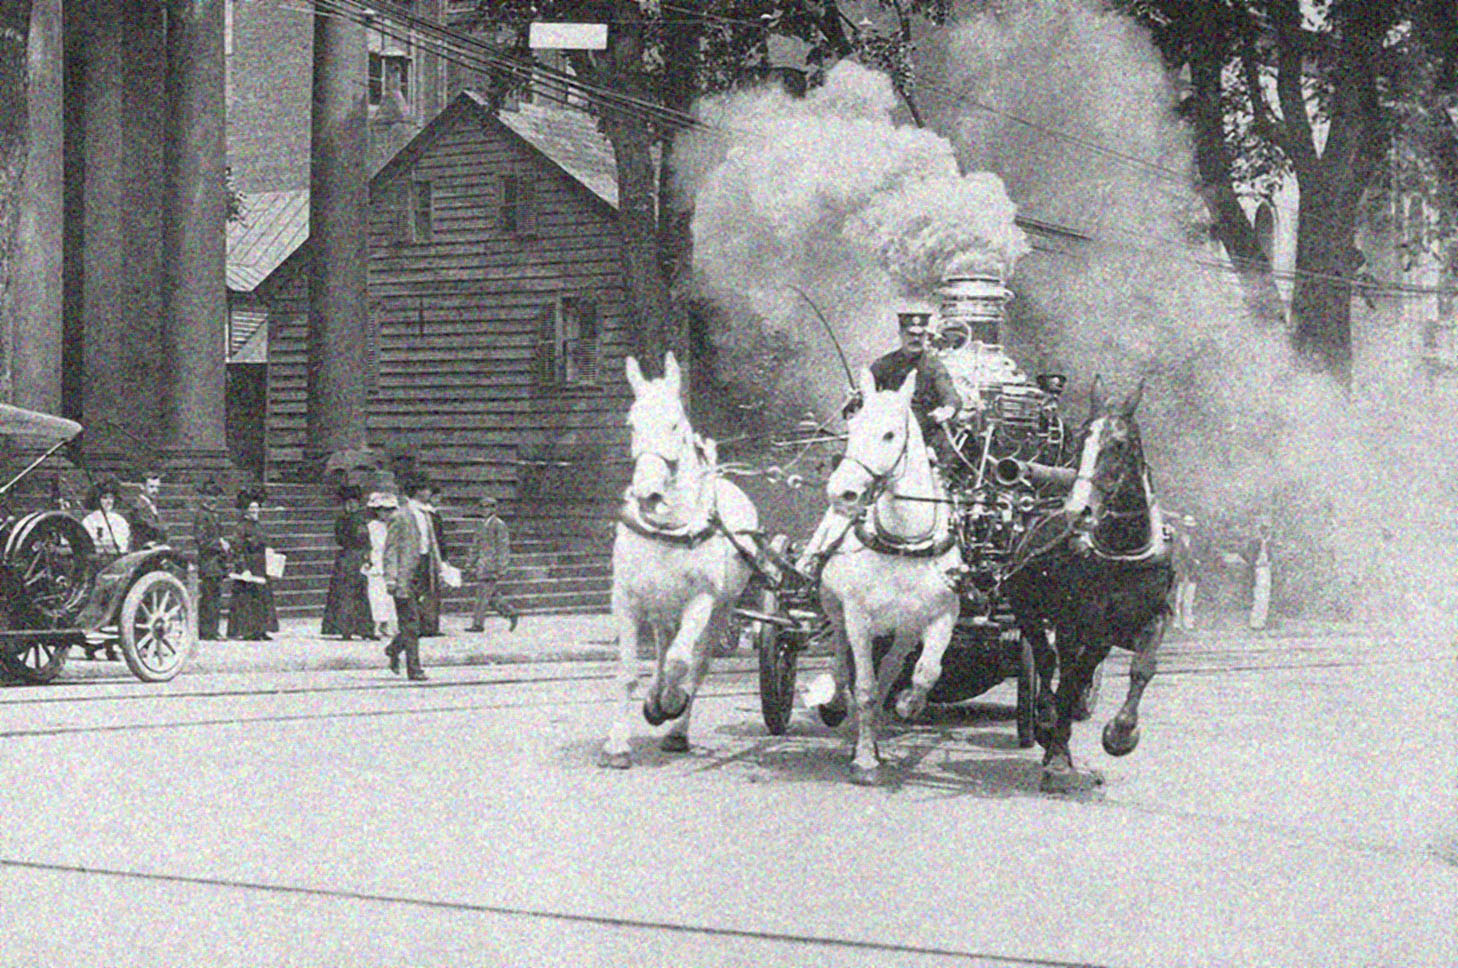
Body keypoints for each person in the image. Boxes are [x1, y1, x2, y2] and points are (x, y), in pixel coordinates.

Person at [382, 474, 444, 681]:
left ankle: (394, 648)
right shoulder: (401, 516)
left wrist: (439, 570)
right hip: (405, 575)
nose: (429, 493)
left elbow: (432, 545)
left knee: (426, 620)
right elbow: (390, 550)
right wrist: (391, 579)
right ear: (417, 491)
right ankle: (414, 668)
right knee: (410, 622)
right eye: (426, 489)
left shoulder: (427, 515)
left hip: (425, 571)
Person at [320, 484, 375, 639]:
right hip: (347, 557)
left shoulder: (362, 519)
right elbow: (341, 539)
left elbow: (367, 540)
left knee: (362, 593)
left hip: (360, 557)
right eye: (348, 503)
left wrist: (367, 555)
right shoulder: (342, 519)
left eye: (354, 502)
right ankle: (345, 629)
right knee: (345, 593)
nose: (351, 505)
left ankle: (365, 629)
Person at [227, 489, 278, 641]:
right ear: (246, 511)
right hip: (249, 565)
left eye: (257, 508)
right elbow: (237, 549)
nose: (255, 511)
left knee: (262, 598)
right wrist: (243, 569)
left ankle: (261, 629)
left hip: (261, 565)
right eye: (252, 509)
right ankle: (249, 630)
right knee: (248, 598)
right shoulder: (241, 527)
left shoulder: (259, 526)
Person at [466, 495, 518, 632]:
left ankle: (478, 624)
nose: (484, 510)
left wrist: (502, 566)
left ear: (494, 509)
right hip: (482, 565)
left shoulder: (498, 525)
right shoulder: (483, 524)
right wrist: (470, 563)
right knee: (491, 596)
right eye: (482, 507)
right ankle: (510, 612)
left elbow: (503, 547)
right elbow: (476, 545)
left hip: (491, 566)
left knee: (483, 596)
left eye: (487, 507)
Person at [193, 478, 229, 641]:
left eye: (215, 496)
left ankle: (212, 629)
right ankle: (207, 630)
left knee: (214, 596)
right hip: (208, 562)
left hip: (216, 562)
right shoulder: (202, 516)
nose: (213, 499)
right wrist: (220, 545)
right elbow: (201, 540)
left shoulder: (214, 515)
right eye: (210, 496)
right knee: (209, 596)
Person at [363, 491, 398, 639]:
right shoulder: (372, 526)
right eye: (382, 510)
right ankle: (376, 624)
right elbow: (369, 545)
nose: (385, 513)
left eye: (389, 510)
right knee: (376, 596)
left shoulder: (394, 526)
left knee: (389, 598)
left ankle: (388, 624)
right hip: (376, 562)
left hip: (391, 563)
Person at [1172, 513, 1206, 633]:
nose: (1188, 529)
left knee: (1189, 598)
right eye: (1186, 526)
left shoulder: (1197, 541)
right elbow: (1175, 556)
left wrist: (1197, 561)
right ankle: (1177, 623)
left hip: (1192, 572)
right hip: (1180, 572)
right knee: (1178, 599)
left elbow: (1201, 555)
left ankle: (1188, 622)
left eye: (1190, 527)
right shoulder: (1177, 539)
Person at [81, 479, 131, 554]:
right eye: (104, 498)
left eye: (111, 498)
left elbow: (123, 542)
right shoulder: (89, 520)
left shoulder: (120, 520)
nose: (109, 501)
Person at [1243, 516, 1275, 631]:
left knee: (1265, 595)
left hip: (1266, 569)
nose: (1266, 531)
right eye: (1264, 529)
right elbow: (1246, 554)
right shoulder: (1255, 542)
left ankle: (1262, 621)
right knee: (1258, 595)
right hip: (1257, 569)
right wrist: (1253, 562)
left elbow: (1272, 556)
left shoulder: (1270, 543)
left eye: (1267, 529)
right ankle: (1255, 622)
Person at [131, 472, 168, 547]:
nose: (155, 491)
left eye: (157, 487)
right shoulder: (139, 506)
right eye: (151, 487)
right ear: (142, 487)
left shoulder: (152, 505)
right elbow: (154, 528)